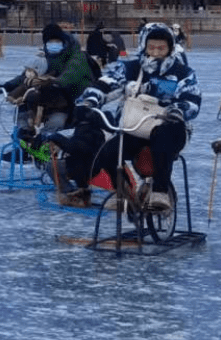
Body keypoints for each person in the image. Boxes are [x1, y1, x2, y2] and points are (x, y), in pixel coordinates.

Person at [50, 23, 198, 210]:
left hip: (169, 127)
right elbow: (106, 83)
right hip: (136, 126)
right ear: (144, 46)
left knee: (164, 136)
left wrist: (179, 110)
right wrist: (89, 100)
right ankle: (124, 190)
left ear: (170, 48)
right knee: (107, 152)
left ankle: (160, 192)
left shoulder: (182, 72)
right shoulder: (131, 68)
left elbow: (192, 98)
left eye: (162, 48)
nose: (156, 52)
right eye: (151, 47)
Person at [0, 24, 92, 144]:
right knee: (22, 111)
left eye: (56, 41)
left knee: (56, 122)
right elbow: (31, 73)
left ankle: (44, 146)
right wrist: (8, 85)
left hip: (71, 97)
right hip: (47, 96)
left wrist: (55, 81)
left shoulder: (76, 55)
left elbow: (72, 73)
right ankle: (24, 142)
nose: (53, 44)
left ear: (63, 40)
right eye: (50, 41)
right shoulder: (46, 55)